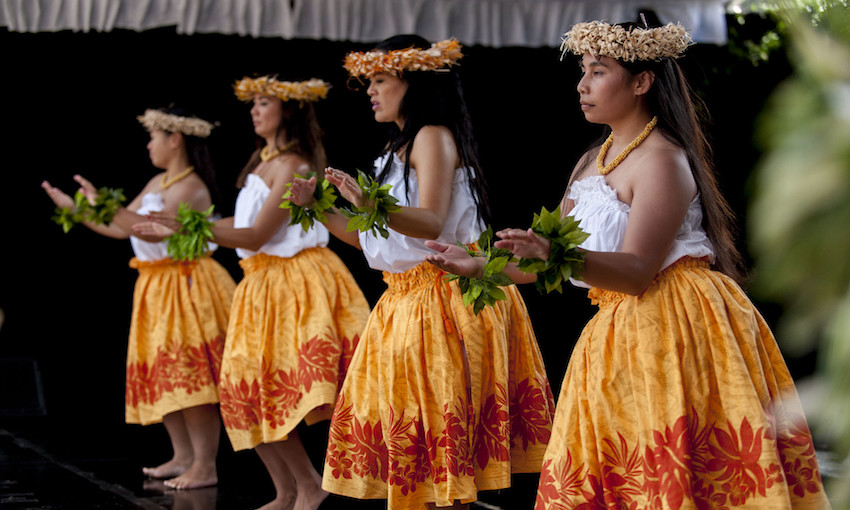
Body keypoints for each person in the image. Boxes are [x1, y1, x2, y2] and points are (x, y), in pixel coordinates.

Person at [425, 19, 832, 509]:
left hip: (678, 324)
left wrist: (555, 253)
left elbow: (637, 270)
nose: (582, 85)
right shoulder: (589, 163)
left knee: (675, 473)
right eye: (582, 71)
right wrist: (479, 267)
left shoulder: (662, 160)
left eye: (598, 71)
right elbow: (546, 262)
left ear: (642, 82)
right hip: (617, 331)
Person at [288, 35, 555, 509]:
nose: (371, 90)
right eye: (369, 81)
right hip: (404, 300)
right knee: (418, 444)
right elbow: (372, 239)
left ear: (414, 82)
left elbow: (430, 220)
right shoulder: (397, 149)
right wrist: (319, 210)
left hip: (445, 297)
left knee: (439, 440)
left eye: (380, 79)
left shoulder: (432, 136)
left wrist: (372, 204)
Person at [137, 76, 370, 510]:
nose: (254, 111)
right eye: (254, 103)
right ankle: (288, 490)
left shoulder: (294, 164)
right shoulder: (262, 162)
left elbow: (259, 233)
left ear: (290, 110)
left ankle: (309, 485)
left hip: (293, 284)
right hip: (259, 284)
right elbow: (242, 228)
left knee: (273, 390)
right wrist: (189, 225)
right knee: (243, 392)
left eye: (264, 103)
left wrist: (188, 227)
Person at [41, 106, 236, 490]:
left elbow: (146, 229)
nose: (148, 145)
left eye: (153, 137)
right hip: (155, 286)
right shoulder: (158, 182)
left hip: (185, 285)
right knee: (163, 370)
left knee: (190, 376)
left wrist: (104, 204)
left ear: (174, 139)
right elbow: (121, 229)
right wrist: (78, 210)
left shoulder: (190, 187)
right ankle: (182, 456)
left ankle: (205, 465)